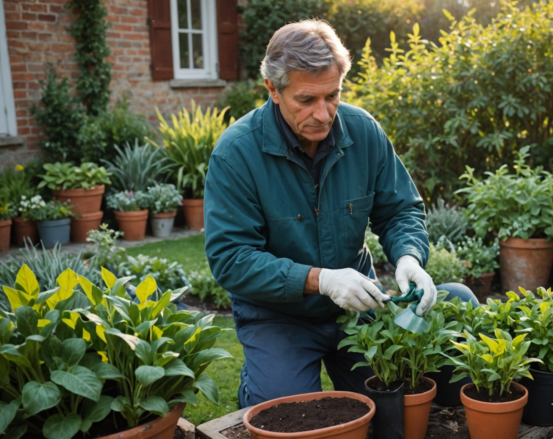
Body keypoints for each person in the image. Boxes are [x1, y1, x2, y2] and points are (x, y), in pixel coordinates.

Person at [204, 19, 477, 408]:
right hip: (279, 316)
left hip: (360, 308)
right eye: (307, 100)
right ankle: (261, 383)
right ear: (273, 89)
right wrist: (321, 280)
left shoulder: (363, 131)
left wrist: (409, 258)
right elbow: (231, 259)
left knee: (444, 325)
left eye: (332, 95)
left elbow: (400, 209)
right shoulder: (237, 154)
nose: (323, 113)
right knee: (286, 411)